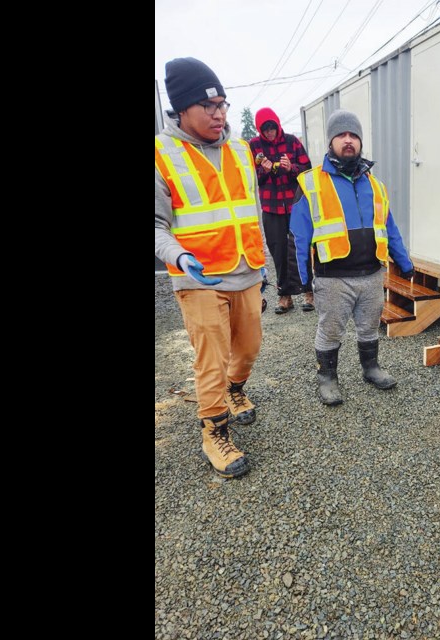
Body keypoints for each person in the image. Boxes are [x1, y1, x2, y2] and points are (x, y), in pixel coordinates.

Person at [155, 57, 271, 478]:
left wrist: (263, 267)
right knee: (212, 359)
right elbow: (156, 225)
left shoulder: (241, 150)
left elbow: (251, 213)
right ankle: (214, 433)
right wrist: (178, 256)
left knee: (249, 349)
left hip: (245, 270)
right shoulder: (161, 154)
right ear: (182, 110)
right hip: (197, 277)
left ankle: (236, 392)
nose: (219, 113)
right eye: (209, 106)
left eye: (222, 103)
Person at [290, 110, 414, 406]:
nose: (348, 141)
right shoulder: (310, 183)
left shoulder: (375, 185)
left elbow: (389, 227)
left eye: (354, 136)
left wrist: (405, 263)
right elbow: (298, 234)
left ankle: (370, 368)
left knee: (369, 326)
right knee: (330, 329)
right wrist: (302, 279)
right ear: (331, 141)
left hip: (371, 274)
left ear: (360, 142)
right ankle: (328, 378)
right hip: (334, 278)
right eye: (342, 135)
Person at [249, 108, 314, 315]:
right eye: (265, 129)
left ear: (277, 125)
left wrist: (291, 168)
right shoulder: (253, 146)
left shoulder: (292, 141)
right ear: (260, 130)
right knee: (278, 251)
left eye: (272, 128)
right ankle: (284, 295)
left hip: (295, 205)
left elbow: (308, 170)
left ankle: (308, 292)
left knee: (301, 247)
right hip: (271, 207)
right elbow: (250, 179)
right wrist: (264, 171)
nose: (269, 133)